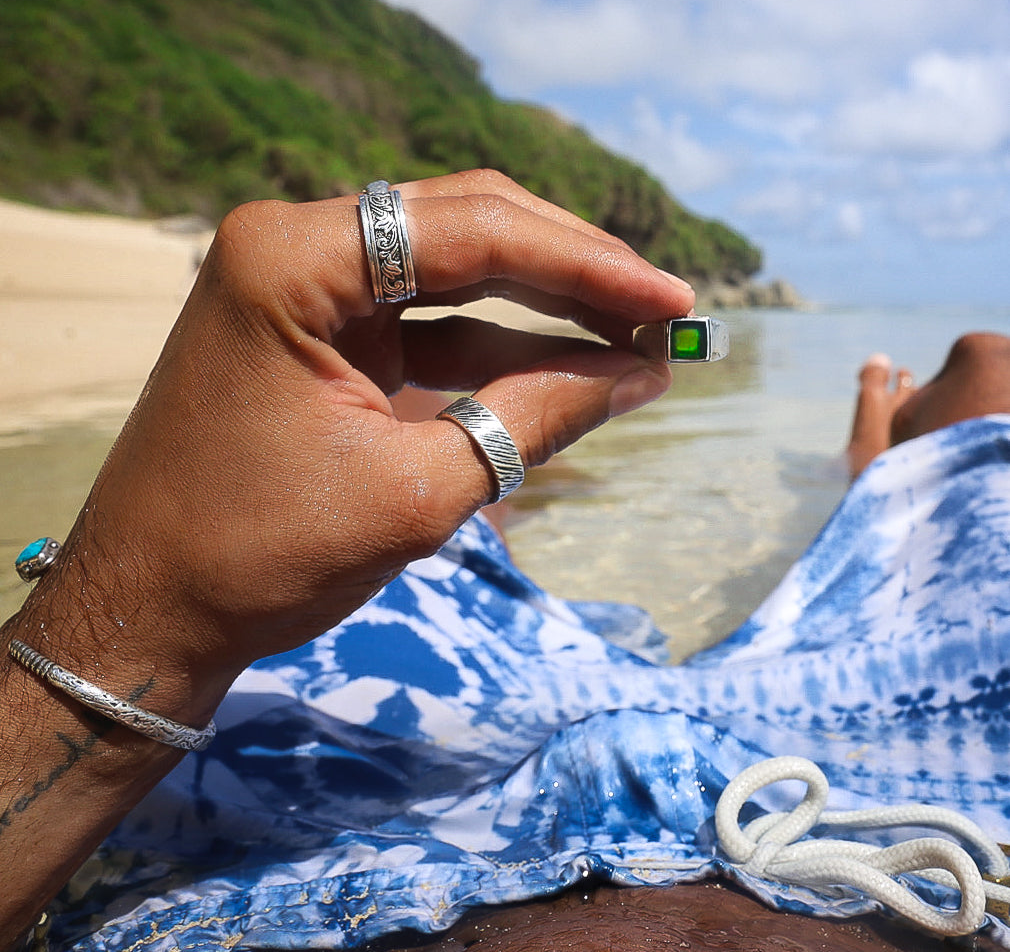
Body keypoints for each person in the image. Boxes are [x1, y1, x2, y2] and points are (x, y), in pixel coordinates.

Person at [4, 171, 1010, 951]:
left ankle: (496, 507)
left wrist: (128, 614)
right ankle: (877, 490)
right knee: (986, 374)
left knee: (381, 418)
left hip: (326, 839)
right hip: (912, 825)